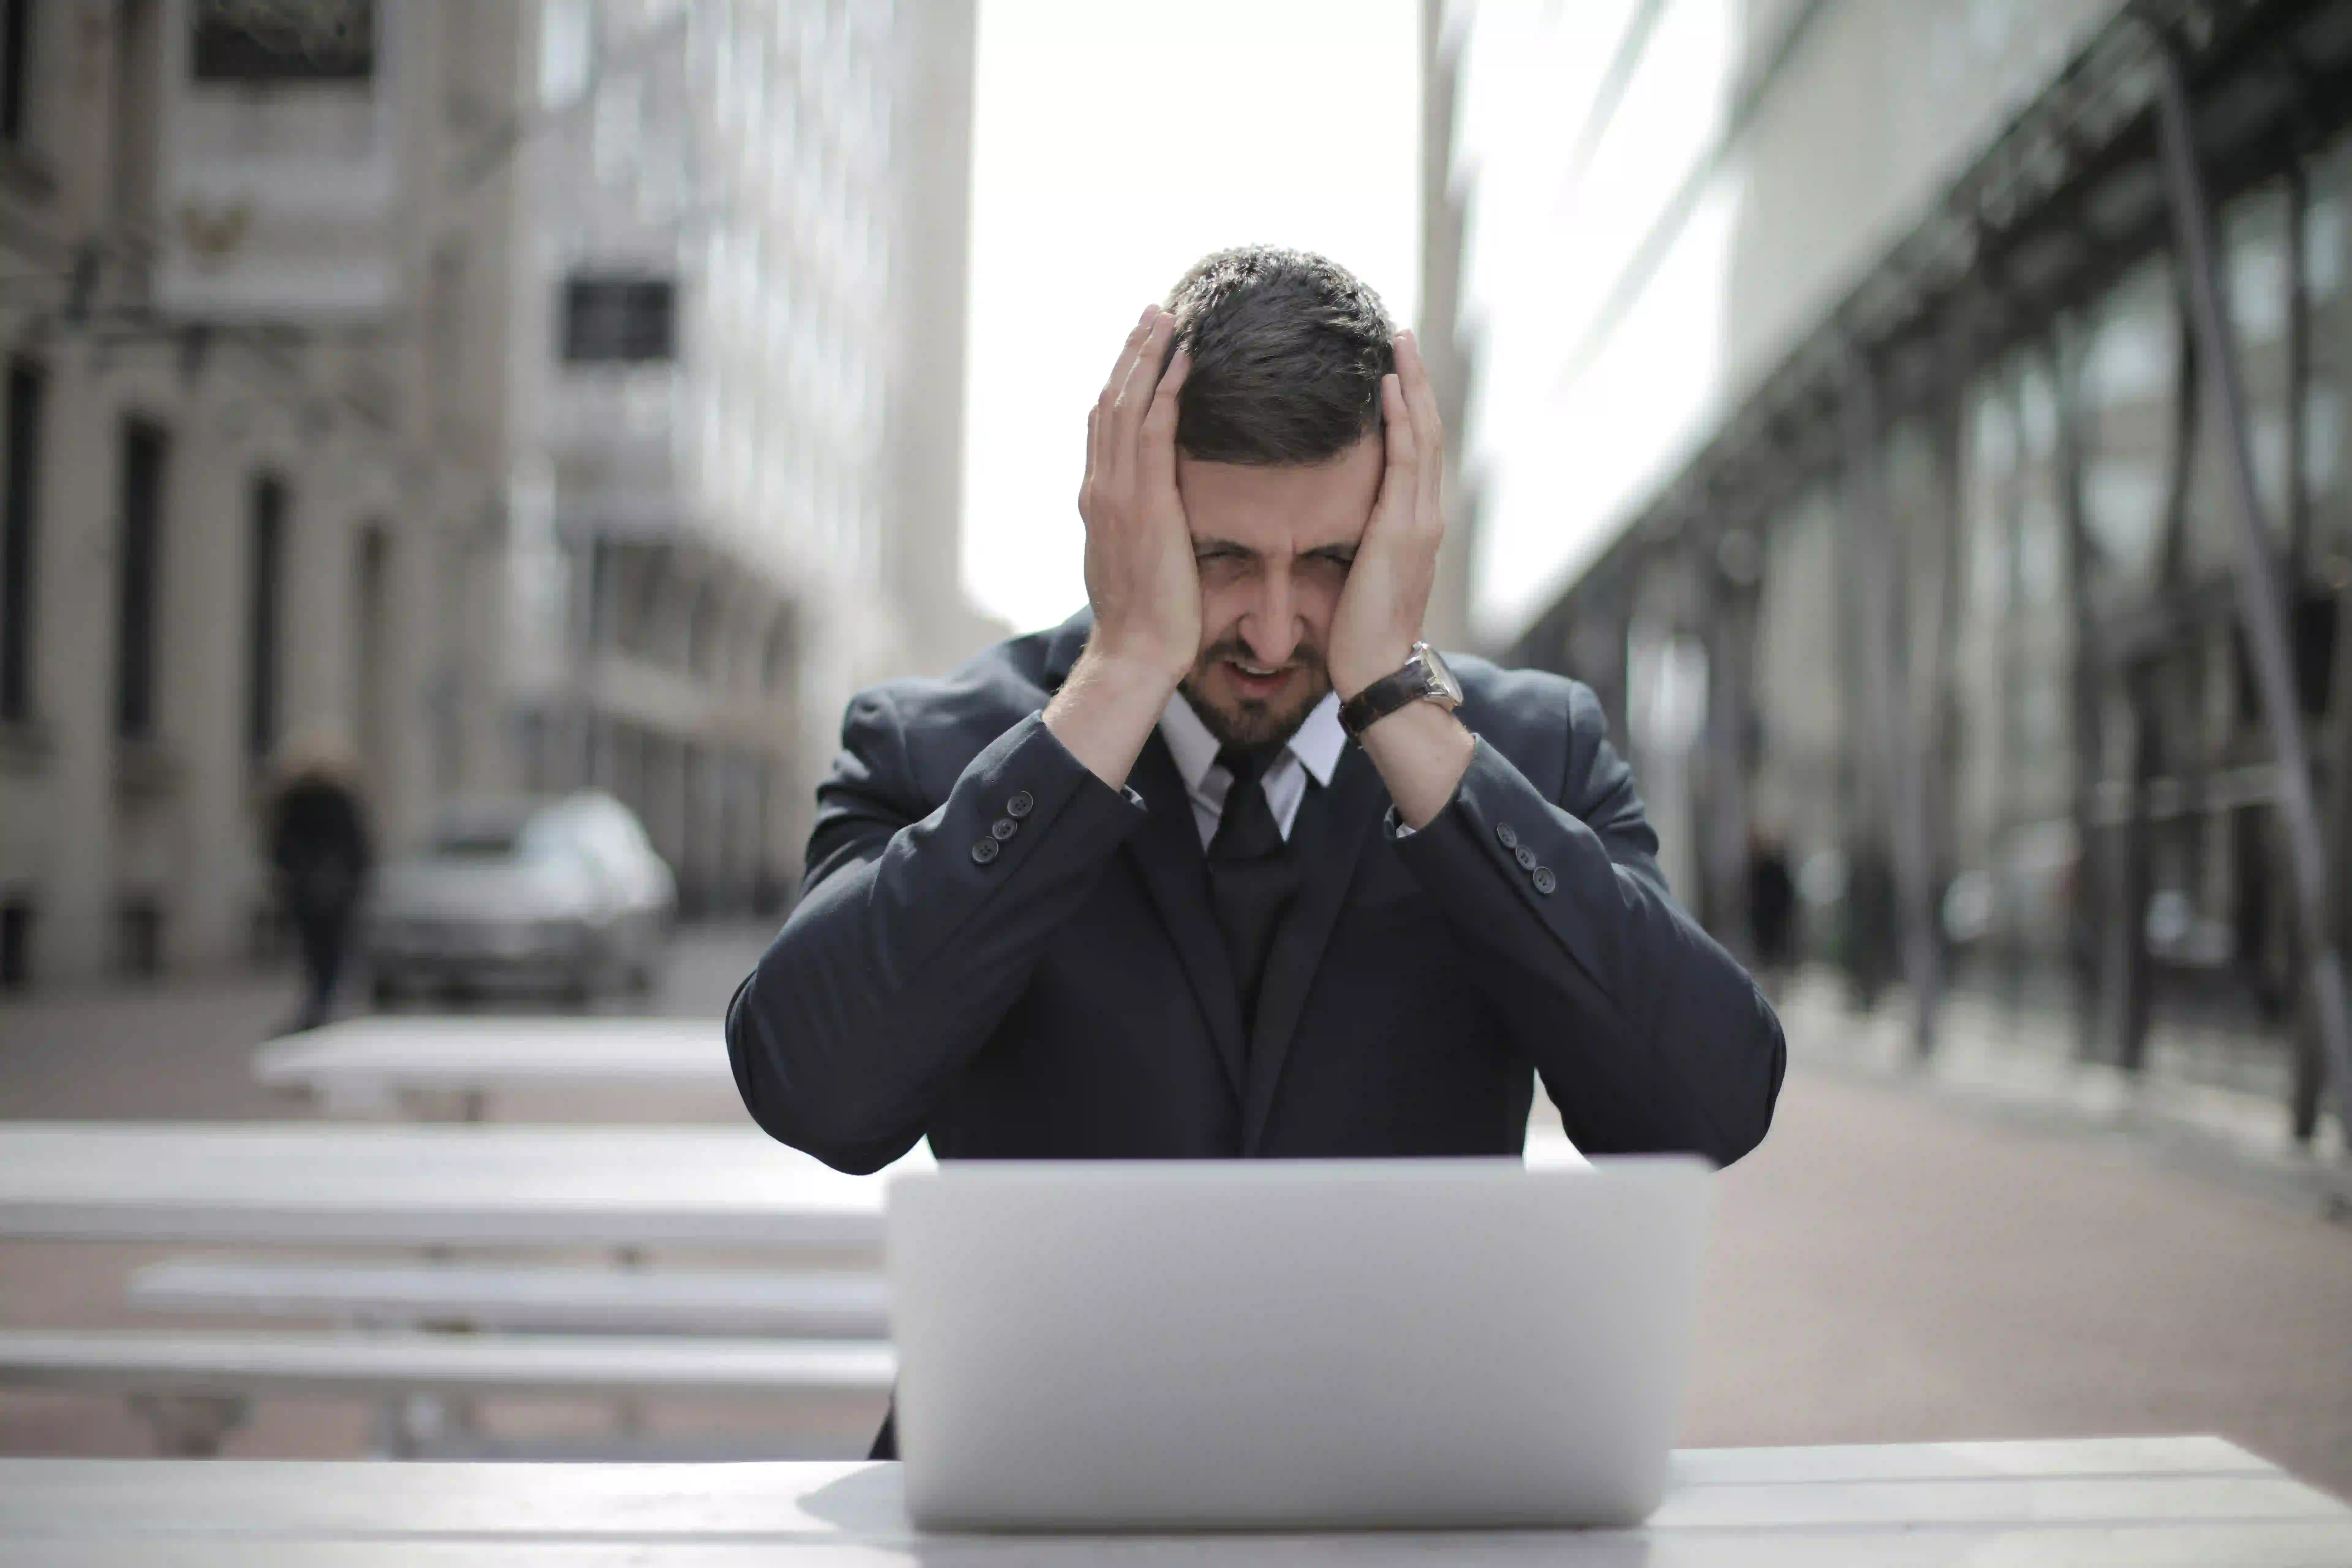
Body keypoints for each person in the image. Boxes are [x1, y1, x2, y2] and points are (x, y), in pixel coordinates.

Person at [726, 247, 1785, 1458]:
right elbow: (816, 1090)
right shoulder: (932, 747)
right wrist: (1119, 678)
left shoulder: (1525, 753)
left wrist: (1400, 707)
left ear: (1403, 524)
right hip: (1029, 1507)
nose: (1276, 630)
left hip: (1410, 1515)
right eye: (1220, 556)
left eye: (1329, 562)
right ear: (1125, 516)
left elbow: (1708, 1103)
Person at [266, 730, 373, 1033]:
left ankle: (321, 1002)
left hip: (309, 890)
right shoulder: (338, 799)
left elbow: (280, 847)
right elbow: (359, 848)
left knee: (317, 949)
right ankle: (324, 1001)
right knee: (329, 950)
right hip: (330, 891)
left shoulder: (295, 799)